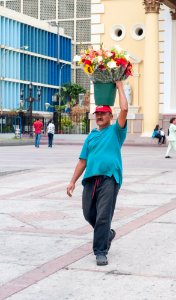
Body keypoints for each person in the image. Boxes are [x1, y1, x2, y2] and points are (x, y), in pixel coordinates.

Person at [66, 81, 128, 266]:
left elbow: (124, 109)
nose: (100, 116)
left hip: (109, 178)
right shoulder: (91, 136)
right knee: (88, 214)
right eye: (97, 113)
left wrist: (120, 87)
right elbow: (82, 161)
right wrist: (72, 181)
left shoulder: (116, 131)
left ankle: (101, 251)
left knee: (103, 216)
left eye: (103, 113)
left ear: (110, 115)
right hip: (90, 180)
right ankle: (107, 234)